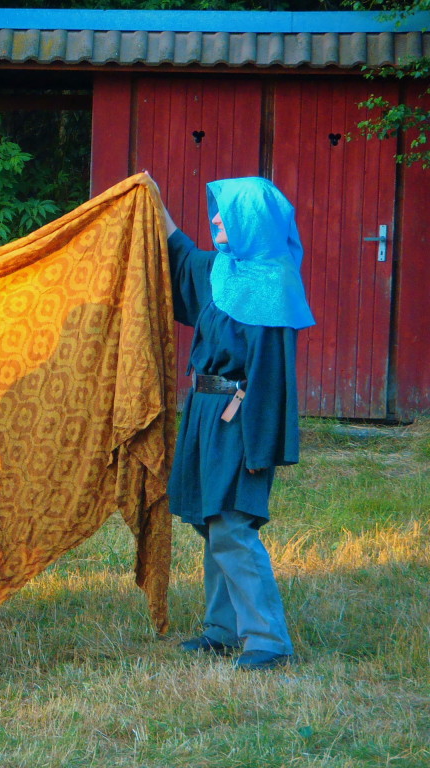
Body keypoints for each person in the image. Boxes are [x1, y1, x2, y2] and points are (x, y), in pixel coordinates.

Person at [155, 176, 315, 671]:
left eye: (227, 211)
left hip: (239, 419)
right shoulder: (223, 269)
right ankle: (223, 629)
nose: (216, 218)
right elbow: (182, 256)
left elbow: (272, 380)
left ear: (253, 219)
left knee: (231, 523)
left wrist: (260, 446)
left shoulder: (274, 287)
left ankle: (268, 640)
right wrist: (154, 201)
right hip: (204, 412)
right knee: (212, 521)